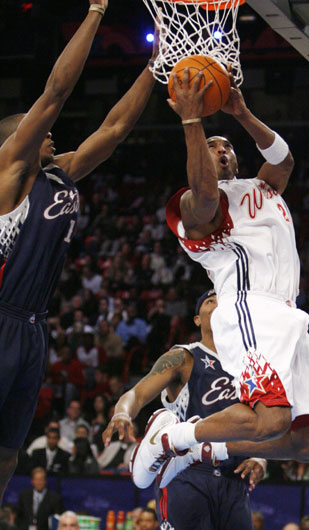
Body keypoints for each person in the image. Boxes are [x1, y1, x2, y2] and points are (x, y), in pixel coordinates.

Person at [131, 65, 309, 485]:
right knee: (270, 419)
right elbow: (204, 195)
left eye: (226, 148)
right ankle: (169, 438)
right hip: (250, 307)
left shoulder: (262, 186)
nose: (220, 151)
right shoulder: (193, 206)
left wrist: (241, 112)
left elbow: (284, 158)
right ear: (197, 158)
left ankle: (204, 448)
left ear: (237, 158)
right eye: (211, 147)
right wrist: (192, 122)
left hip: (289, 312)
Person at [0, 0, 159, 502]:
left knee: (8, 447)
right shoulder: (9, 174)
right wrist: (95, 11)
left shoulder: (56, 174)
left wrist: (158, 66)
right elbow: (55, 92)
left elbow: (112, 132)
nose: (48, 131)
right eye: (33, 127)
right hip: (2, 317)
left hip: (32, 326)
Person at [103, 290, 266, 530]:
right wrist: (122, 413)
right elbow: (137, 393)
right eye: (210, 301)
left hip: (234, 478)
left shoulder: (251, 365)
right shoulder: (183, 357)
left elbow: (266, 422)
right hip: (188, 474)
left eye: (224, 301)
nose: (218, 304)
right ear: (197, 319)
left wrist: (260, 458)